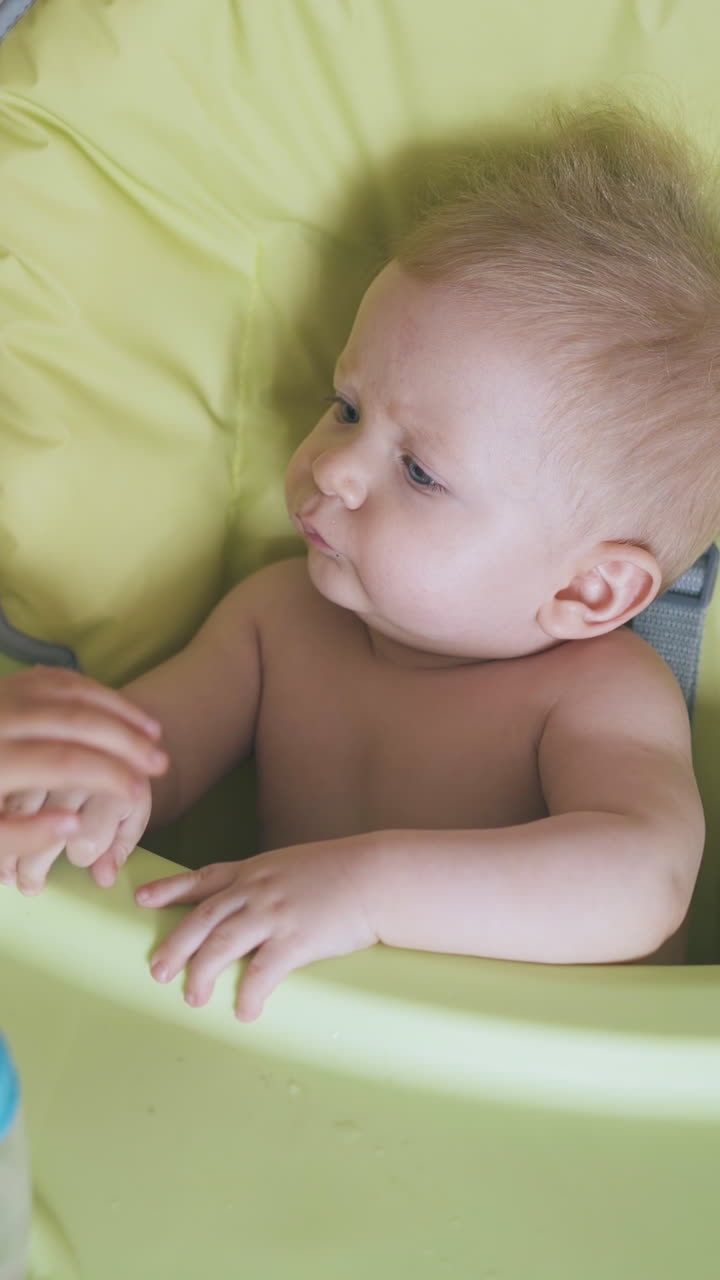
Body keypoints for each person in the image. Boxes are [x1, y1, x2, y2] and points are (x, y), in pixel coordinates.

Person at [1, 105, 716, 1020]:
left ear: (589, 588)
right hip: (304, 1049)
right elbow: (143, 760)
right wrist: (73, 793)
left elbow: (641, 882)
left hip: (526, 1090)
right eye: (346, 407)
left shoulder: (598, 693)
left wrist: (371, 893)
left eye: (419, 470)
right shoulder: (275, 622)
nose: (332, 466)